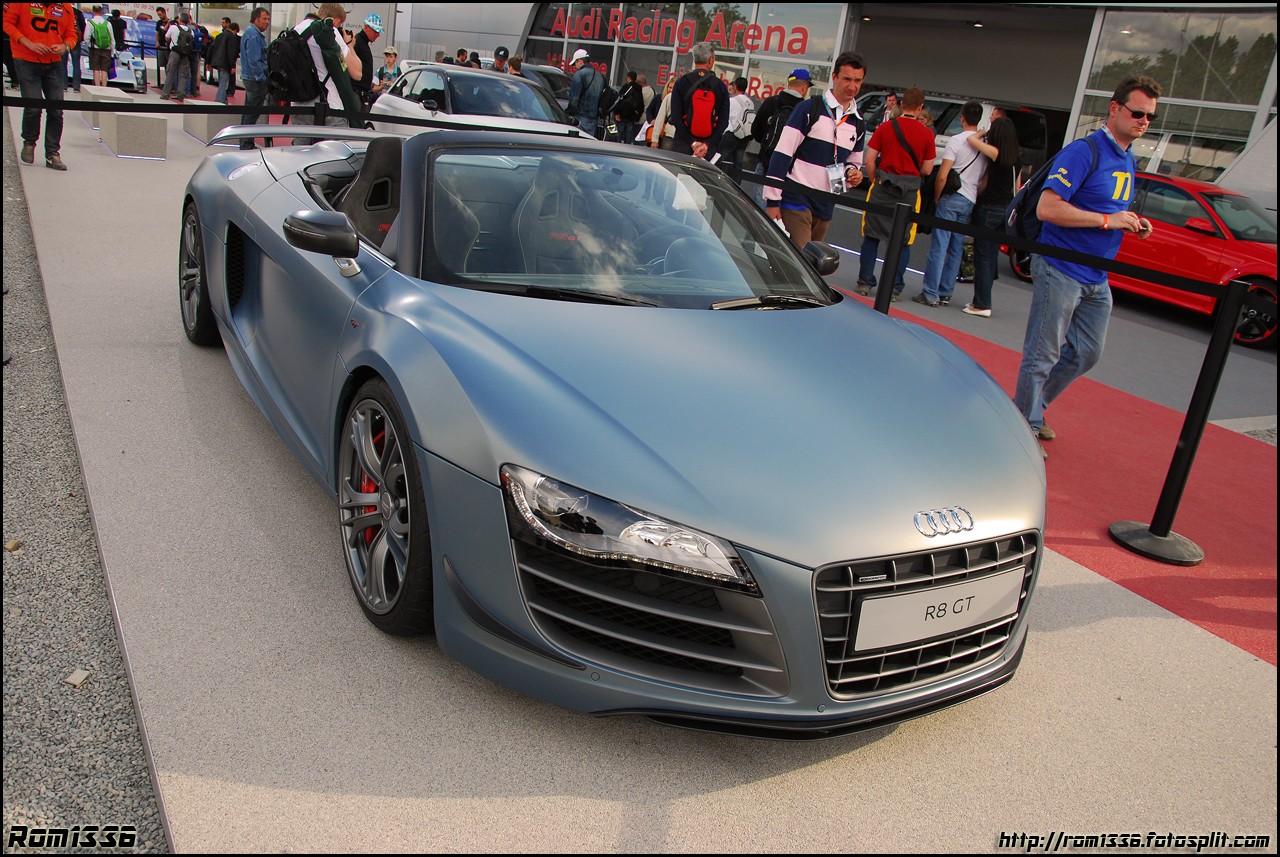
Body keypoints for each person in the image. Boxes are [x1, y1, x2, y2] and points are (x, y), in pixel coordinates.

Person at [1014, 76, 1160, 458]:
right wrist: (1108, 221)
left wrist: (1131, 222)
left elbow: (1107, 208)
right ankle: (1023, 424)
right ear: (1115, 109)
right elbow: (1048, 209)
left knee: (1086, 353)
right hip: (1061, 265)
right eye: (1138, 113)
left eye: (1150, 117)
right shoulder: (1084, 151)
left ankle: (1032, 409)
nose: (1144, 121)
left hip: (1096, 274)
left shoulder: (1127, 157)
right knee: (1043, 352)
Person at [764, 53, 867, 251]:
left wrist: (853, 173)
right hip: (796, 196)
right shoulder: (809, 108)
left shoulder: (858, 121)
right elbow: (782, 153)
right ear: (835, 77)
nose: (852, 86)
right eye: (847, 79)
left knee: (813, 263)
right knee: (802, 259)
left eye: (857, 81)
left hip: (827, 201)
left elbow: (854, 161)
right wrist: (773, 200)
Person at [856, 86, 936, 300]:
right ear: (920, 107)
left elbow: (870, 159)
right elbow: (928, 169)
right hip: (909, 192)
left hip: (882, 186)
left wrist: (875, 179)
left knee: (872, 235)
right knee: (903, 241)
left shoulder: (886, 128)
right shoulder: (927, 134)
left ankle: (865, 281)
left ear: (901, 104)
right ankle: (894, 287)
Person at [916, 100, 988, 307]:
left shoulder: (956, 141)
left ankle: (930, 292)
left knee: (940, 245)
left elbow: (942, 175)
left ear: (962, 118)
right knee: (956, 247)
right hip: (970, 198)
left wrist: (938, 196)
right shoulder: (984, 146)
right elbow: (984, 179)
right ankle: (946, 291)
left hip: (951, 196)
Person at [960, 116, 1021, 317]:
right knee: (990, 255)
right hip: (1006, 210)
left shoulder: (996, 152)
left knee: (983, 257)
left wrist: (982, 132)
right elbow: (1018, 189)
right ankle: (982, 299)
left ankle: (982, 303)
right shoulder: (1017, 159)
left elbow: (971, 140)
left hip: (990, 207)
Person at [4, 0, 76, 170]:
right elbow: (7, 23)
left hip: (54, 64)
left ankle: (52, 153)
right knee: (33, 106)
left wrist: (65, 46)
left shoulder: (65, 7)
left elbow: (72, 34)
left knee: (56, 110)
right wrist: (27, 43)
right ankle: (29, 142)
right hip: (26, 61)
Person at [291, 4, 362, 137]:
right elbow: (356, 73)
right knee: (338, 153)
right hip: (329, 105)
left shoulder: (296, 30)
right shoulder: (330, 31)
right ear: (336, 21)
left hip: (299, 105)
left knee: (301, 153)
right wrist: (349, 45)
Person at [750, 68, 812, 209]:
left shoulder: (771, 102)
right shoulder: (805, 109)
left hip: (765, 161)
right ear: (805, 86)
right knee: (784, 210)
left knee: (759, 210)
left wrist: (767, 144)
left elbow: (755, 131)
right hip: (790, 169)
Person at [668, 41, 729, 160]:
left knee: (680, 178)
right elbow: (723, 121)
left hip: (683, 145)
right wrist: (706, 144)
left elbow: (676, 117)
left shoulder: (681, 82)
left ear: (694, 58)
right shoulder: (720, 86)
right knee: (701, 179)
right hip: (708, 150)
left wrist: (693, 143)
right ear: (711, 60)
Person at [237, 6, 270, 150]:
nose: (267, 22)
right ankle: (246, 144)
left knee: (248, 113)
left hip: (250, 78)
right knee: (252, 113)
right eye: (264, 19)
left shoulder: (250, 33)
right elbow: (255, 60)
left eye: (268, 19)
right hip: (255, 80)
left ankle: (245, 142)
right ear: (256, 19)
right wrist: (262, 78)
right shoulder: (254, 36)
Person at [717, 76, 754, 171]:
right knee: (738, 163)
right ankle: (736, 183)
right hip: (744, 136)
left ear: (735, 86)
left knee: (719, 159)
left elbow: (724, 116)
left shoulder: (732, 101)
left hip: (731, 134)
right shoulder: (750, 102)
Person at [567, 47, 604, 139]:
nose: (575, 66)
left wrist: (568, 113)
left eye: (575, 63)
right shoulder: (599, 76)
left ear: (580, 61)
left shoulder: (579, 74)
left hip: (580, 117)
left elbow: (574, 99)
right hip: (594, 119)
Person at [158, 11, 191, 102]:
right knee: (182, 75)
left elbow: (167, 37)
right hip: (185, 54)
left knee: (170, 73)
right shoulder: (190, 31)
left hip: (175, 52)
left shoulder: (173, 27)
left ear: (179, 19)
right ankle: (180, 94)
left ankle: (165, 94)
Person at [351, 13, 381, 109]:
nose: (378, 35)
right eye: (376, 31)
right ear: (366, 27)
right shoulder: (357, 42)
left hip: (361, 94)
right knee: (356, 122)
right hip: (356, 93)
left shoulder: (362, 43)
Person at [209, 17, 239, 104]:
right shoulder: (232, 37)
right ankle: (220, 100)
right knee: (224, 83)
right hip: (225, 63)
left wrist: (209, 61)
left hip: (218, 62)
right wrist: (232, 65)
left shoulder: (219, 36)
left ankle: (222, 99)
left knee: (221, 81)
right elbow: (231, 52)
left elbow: (212, 48)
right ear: (235, 30)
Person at [613, 69, 644, 146]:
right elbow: (641, 104)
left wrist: (617, 113)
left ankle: (618, 148)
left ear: (629, 78)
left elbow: (619, 100)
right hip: (632, 117)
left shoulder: (626, 86)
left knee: (619, 134)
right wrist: (636, 117)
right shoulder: (639, 89)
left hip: (622, 115)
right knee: (628, 136)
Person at [648, 75, 678, 151]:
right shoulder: (662, 97)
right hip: (669, 135)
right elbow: (659, 118)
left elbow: (660, 118)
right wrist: (655, 139)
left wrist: (654, 139)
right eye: (670, 87)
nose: (671, 90)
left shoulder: (669, 97)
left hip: (671, 135)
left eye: (673, 88)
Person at [86, 5, 112, 88]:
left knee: (96, 69)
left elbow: (86, 37)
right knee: (104, 70)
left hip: (95, 49)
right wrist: (112, 50)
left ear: (93, 11)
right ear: (101, 12)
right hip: (106, 49)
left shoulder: (90, 22)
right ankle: (104, 87)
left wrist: (91, 45)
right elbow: (112, 38)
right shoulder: (107, 23)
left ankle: (97, 87)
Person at [65, 3, 83, 91]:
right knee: (76, 64)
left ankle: (64, 85)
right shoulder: (78, 13)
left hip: (63, 40)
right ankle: (76, 86)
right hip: (75, 40)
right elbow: (83, 27)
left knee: (62, 64)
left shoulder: (63, 10)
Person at [154, 7, 169, 88]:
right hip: (160, 45)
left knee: (168, 65)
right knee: (161, 63)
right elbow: (158, 32)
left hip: (167, 46)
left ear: (164, 13)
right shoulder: (159, 22)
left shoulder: (169, 22)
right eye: (158, 15)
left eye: (160, 14)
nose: (159, 16)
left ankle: (169, 82)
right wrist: (157, 41)